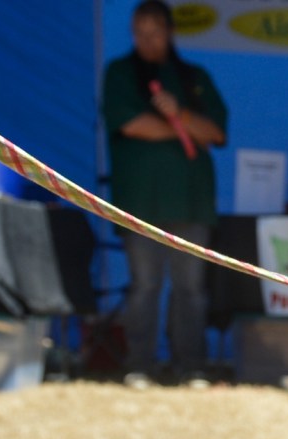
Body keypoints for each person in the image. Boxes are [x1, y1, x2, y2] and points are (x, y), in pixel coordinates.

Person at [102, 0, 227, 386]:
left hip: (191, 200)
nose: (147, 40)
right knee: (145, 285)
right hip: (141, 201)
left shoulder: (193, 77)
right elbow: (134, 125)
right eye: (139, 32)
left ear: (170, 32)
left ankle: (189, 363)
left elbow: (218, 133)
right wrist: (184, 129)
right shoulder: (120, 73)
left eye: (154, 32)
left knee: (190, 288)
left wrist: (182, 113)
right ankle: (139, 363)